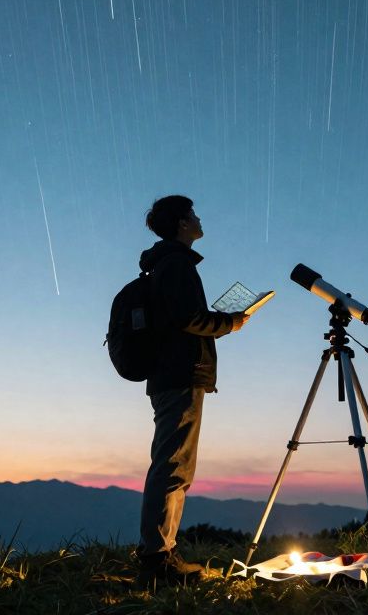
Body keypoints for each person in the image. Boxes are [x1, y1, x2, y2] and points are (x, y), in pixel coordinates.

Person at [135, 195, 249, 584]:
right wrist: (231, 322)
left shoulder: (164, 265)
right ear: (183, 224)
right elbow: (189, 319)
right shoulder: (177, 264)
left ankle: (160, 552)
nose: (200, 220)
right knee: (173, 465)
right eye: (194, 215)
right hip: (180, 374)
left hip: (169, 375)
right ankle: (157, 560)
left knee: (172, 463)